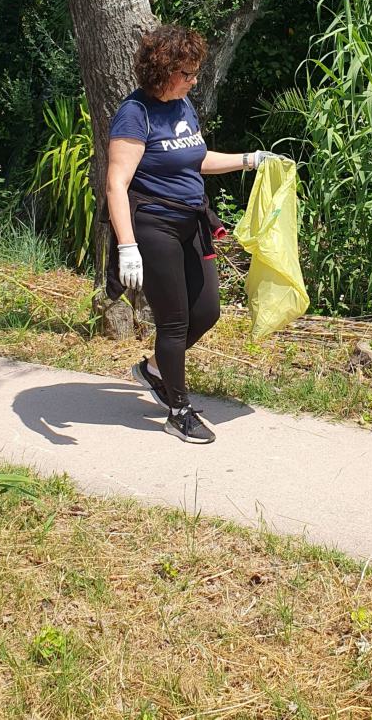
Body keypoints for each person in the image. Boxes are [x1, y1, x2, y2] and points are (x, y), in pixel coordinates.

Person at [106, 24, 274, 445]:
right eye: (186, 73)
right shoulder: (135, 113)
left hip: (191, 220)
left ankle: (154, 369)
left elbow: (194, 159)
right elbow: (116, 184)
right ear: (162, 71)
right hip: (153, 225)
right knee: (175, 322)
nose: (193, 80)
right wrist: (127, 246)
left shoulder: (183, 106)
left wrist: (249, 160)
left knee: (208, 311)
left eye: (195, 72)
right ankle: (178, 411)